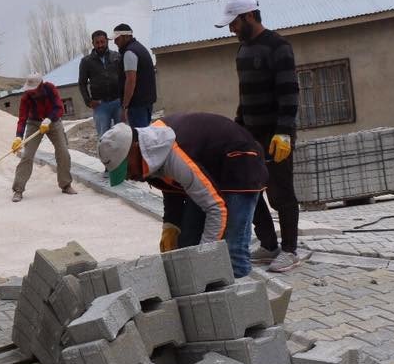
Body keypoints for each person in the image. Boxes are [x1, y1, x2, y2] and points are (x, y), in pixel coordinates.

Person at [97, 113, 268, 278]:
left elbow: (216, 209)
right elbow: (172, 188)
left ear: (134, 149)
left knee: (233, 251)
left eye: (126, 168)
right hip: (208, 168)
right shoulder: (151, 149)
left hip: (240, 161)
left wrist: (205, 256)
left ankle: (244, 302)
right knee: (187, 244)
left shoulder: (176, 156)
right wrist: (170, 225)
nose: (127, 176)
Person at [216, 0, 303, 273]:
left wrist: (285, 132)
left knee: (281, 194)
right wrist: (237, 126)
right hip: (250, 135)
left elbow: (289, 92)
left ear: (249, 17)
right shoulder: (242, 51)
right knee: (249, 190)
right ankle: (268, 244)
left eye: (234, 23)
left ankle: (290, 250)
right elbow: (245, 95)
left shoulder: (278, 47)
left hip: (276, 135)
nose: (231, 29)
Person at [10, 73, 76, 202]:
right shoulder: (26, 97)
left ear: (40, 85)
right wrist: (18, 137)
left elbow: (59, 107)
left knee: (63, 152)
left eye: (34, 88)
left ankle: (66, 185)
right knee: (27, 155)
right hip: (34, 123)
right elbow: (22, 118)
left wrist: (49, 119)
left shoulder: (50, 89)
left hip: (54, 122)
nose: (32, 92)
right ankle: (18, 190)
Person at [112, 23, 157, 129]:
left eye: (117, 39)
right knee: (145, 134)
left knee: (139, 137)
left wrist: (125, 106)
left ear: (126, 37)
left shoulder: (129, 53)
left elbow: (130, 80)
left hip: (136, 104)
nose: (115, 42)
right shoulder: (141, 48)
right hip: (146, 101)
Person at [79, 30, 123, 138]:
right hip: (100, 105)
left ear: (107, 42)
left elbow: (124, 78)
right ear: (93, 43)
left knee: (123, 135)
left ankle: (124, 156)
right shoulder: (86, 61)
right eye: (97, 43)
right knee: (104, 137)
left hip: (118, 103)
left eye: (102, 42)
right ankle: (106, 156)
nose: (100, 45)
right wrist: (88, 101)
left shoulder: (116, 56)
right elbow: (82, 83)